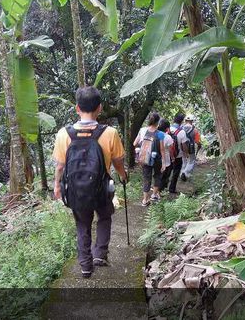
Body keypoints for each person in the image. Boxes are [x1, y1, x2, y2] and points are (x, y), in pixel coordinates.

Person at [52, 86, 127, 278]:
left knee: (82, 224)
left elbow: (60, 166)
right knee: (104, 217)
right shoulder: (110, 133)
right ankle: (99, 254)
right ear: (100, 108)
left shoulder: (64, 134)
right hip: (102, 188)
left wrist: (57, 186)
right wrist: (122, 175)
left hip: (76, 190)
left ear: (77, 108)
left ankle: (85, 265)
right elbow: (118, 161)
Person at [133, 112, 169, 205]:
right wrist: (164, 163)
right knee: (157, 176)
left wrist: (143, 148)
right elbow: (162, 149)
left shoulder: (142, 130)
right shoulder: (160, 134)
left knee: (146, 178)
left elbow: (134, 143)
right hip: (156, 159)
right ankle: (154, 195)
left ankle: (145, 200)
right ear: (158, 122)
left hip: (145, 158)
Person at [167, 113, 187, 196]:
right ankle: (172, 188)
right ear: (181, 121)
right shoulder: (182, 132)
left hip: (167, 154)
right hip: (178, 155)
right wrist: (186, 154)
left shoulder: (168, 129)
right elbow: (184, 145)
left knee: (167, 170)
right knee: (176, 172)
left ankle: (162, 186)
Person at [179, 116, 202, 180]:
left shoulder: (180, 128)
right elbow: (197, 141)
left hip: (182, 146)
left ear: (185, 121)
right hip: (190, 147)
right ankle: (185, 173)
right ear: (192, 121)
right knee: (191, 160)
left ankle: (182, 173)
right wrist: (199, 145)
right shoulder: (194, 130)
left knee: (184, 161)